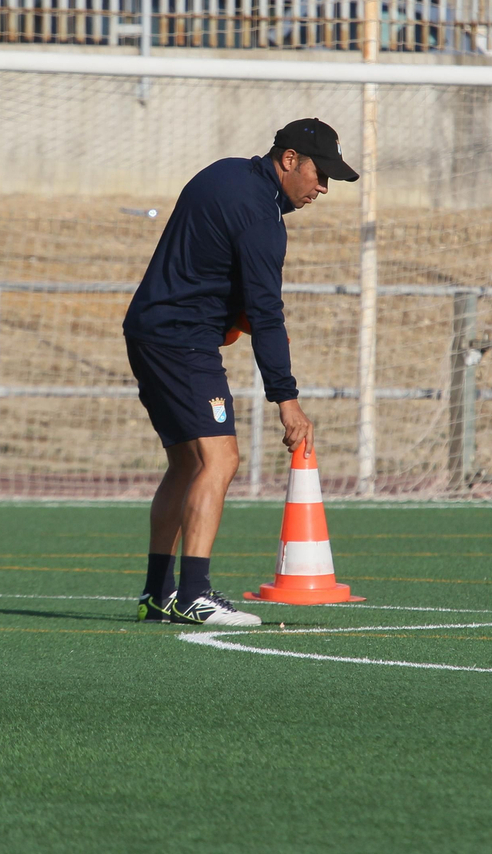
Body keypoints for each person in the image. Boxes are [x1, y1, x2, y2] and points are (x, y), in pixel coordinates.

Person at [122, 118, 359, 626]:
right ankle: (193, 594)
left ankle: (157, 593)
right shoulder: (260, 215)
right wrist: (287, 401)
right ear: (289, 159)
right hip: (182, 342)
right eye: (321, 174)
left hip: (149, 330)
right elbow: (267, 312)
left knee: (186, 465)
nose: (323, 188)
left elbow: (210, 269)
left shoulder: (224, 173)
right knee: (222, 459)